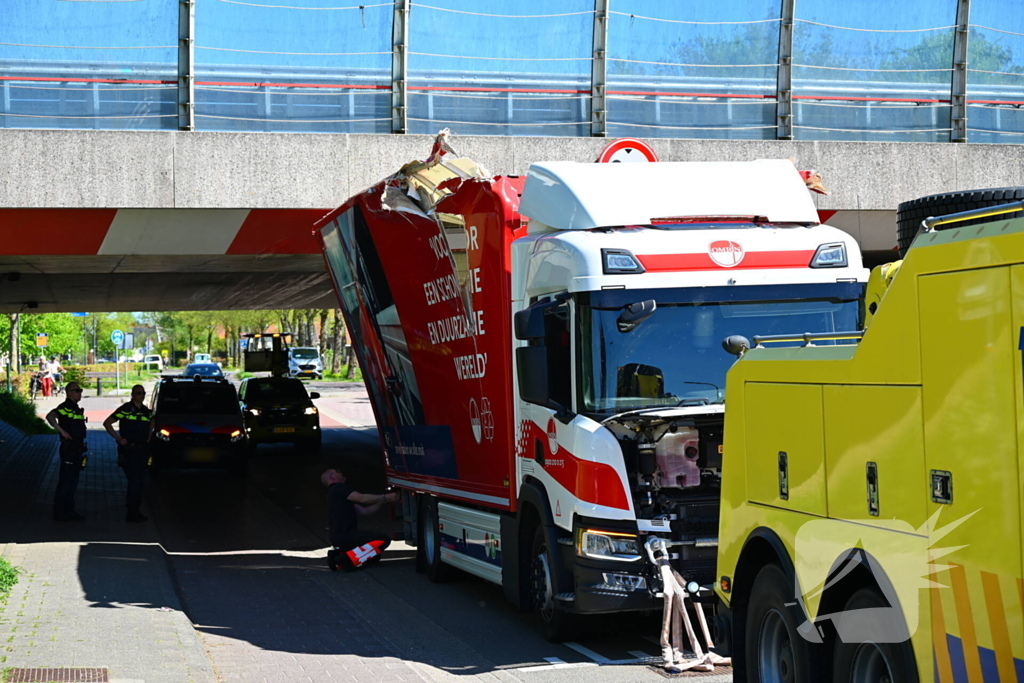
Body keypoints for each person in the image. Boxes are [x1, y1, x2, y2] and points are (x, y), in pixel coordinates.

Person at [320, 469, 399, 571]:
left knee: (374, 556)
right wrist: (386, 496)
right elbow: (362, 498)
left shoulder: (336, 495)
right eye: (338, 472)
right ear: (332, 477)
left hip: (339, 537)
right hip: (346, 535)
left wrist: (386, 500)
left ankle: (340, 555)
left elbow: (366, 511)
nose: (342, 473)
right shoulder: (338, 488)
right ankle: (347, 559)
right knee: (383, 540)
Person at [102, 384, 152, 523]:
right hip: (129, 450)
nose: (140, 396)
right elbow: (107, 423)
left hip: (142, 450)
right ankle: (132, 512)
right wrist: (118, 439)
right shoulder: (125, 409)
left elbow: (151, 426)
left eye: (142, 393)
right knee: (134, 481)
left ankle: (134, 509)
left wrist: (148, 439)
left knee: (139, 482)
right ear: (132, 394)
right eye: (138, 393)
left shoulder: (146, 412)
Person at [45, 382, 88, 521]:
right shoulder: (66, 407)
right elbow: (50, 416)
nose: (79, 393)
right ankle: (60, 512)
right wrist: (62, 432)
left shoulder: (75, 408)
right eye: (76, 390)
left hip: (77, 448)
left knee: (72, 481)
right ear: (68, 392)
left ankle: (68, 510)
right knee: (66, 481)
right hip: (69, 448)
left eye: (80, 390)